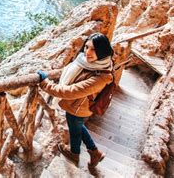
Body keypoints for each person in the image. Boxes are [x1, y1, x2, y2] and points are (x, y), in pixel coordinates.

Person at [36, 32, 115, 168]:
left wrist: (45, 83)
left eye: (94, 49)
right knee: (77, 126)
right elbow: (70, 71)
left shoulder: (101, 77)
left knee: (75, 130)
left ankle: (75, 153)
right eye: (87, 47)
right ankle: (95, 152)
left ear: (102, 52)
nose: (88, 52)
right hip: (78, 106)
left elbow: (71, 92)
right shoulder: (89, 62)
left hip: (79, 108)